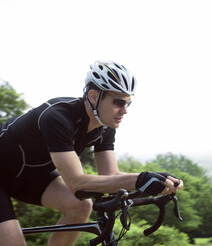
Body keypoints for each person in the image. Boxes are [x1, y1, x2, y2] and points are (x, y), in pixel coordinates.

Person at [0, 61, 183, 246]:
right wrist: (139, 179)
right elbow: (76, 183)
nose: (125, 110)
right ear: (94, 96)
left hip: (29, 177)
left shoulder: (105, 126)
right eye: (119, 102)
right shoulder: (58, 116)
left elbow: (111, 177)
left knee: (80, 206)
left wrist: (158, 179)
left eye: (128, 102)